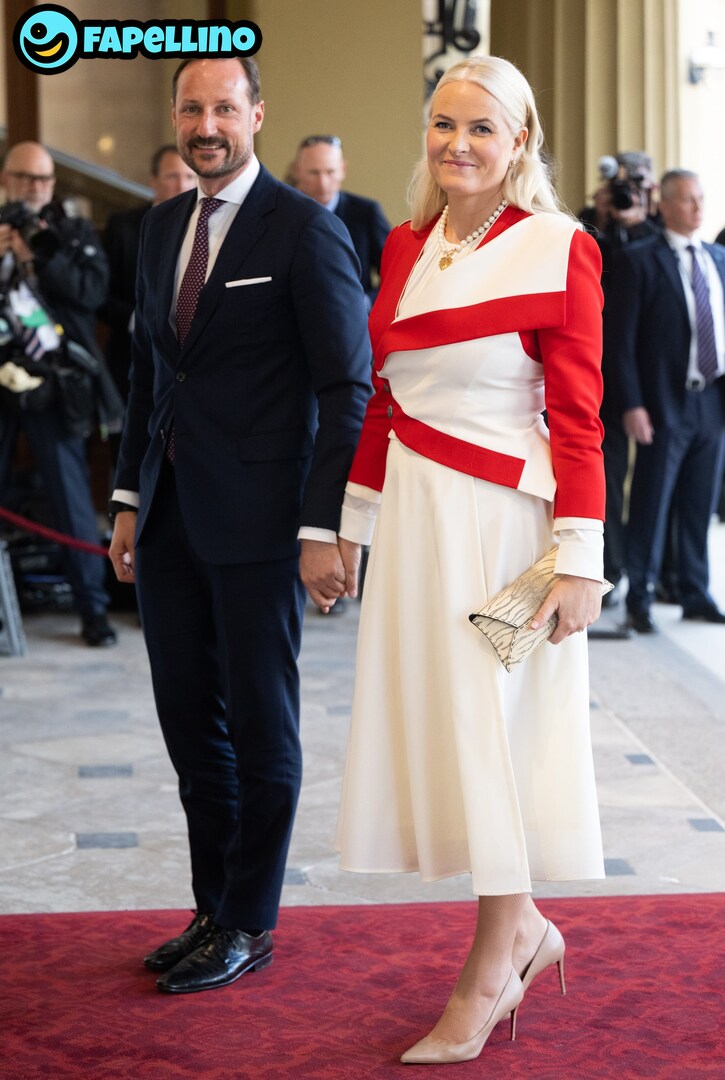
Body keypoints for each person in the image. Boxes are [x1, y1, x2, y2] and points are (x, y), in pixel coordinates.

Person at [335, 55, 607, 1064]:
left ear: (519, 141)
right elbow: (385, 398)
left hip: (503, 527)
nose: (458, 143)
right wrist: (349, 527)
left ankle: (494, 963)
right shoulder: (405, 244)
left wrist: (578, 558)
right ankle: (524, 930)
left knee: (494, 737)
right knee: (451, 735)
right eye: (444, 124)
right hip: (415, 522)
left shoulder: (558, 245)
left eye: (481, 128)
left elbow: (577, 419)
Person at [108, 57, 371, 994]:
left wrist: (322, 526)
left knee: (261, 728)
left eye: (224, 107)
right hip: (169, 518)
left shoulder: (303, 229)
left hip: (263, 525)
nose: (206, 124)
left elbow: (347, 389)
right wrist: (129, 501)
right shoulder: (160, 226)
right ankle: (212, 907)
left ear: (257, 115)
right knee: (190, 727)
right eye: (192, 108)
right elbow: (151, 376)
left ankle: (249, 921)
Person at [0, 141, 116, 647]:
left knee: (71, 499)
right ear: (5, 179)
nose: (35, 187)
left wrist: (36, 256)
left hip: (54, 384)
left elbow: (91, 293)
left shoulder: (71, 231)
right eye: (26, 177)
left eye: (44, 179)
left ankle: (93, 610)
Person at [607, 169, 725, 633]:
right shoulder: (639, 260)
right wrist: (632, 404)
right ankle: (640, 597)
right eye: (688, 199)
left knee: (700, 502)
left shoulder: (718, 258)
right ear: (665, 205)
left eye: (701, 199)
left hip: (711, 400)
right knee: (651, 502)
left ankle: (695, 591)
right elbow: (620, 341)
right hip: (661, 402)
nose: (698, 208)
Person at [100, 146, 197, 412]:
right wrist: (140, 320)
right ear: (153, 181)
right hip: (130, 357)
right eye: (172, 176)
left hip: (190, 366)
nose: (182, 185)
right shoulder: (123, 227)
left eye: (190, 177)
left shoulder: (209, 227)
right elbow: (101, 294)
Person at [290, 134, 390, 307]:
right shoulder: (284, 213)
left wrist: (366, 302)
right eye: (314, 172)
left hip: (356, 314)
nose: (322, 183)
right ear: (297, 170)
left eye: (330, 172)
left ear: (343, 169)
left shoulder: (366, 212)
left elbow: (397, 272)